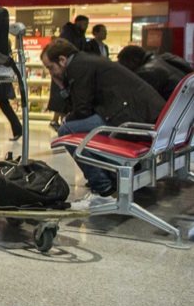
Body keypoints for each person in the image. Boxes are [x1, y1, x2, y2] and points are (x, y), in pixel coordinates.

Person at [41, 38, 164, 206]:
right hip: (139, 116)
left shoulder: (78, 67)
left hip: (128, 118)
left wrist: (65, 108)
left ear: (62, 60)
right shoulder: (87, 61)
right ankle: (111, 177)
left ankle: (102, 186)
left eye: (50, 67)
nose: (51, 73)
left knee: (66, 130)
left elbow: (82, 109)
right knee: (80, 129)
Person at [116, 44, 191, 100]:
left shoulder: (145, 73)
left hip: (177, 113)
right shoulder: (163, 59)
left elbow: (140, 103)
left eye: (124, 66)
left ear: (134, 60)